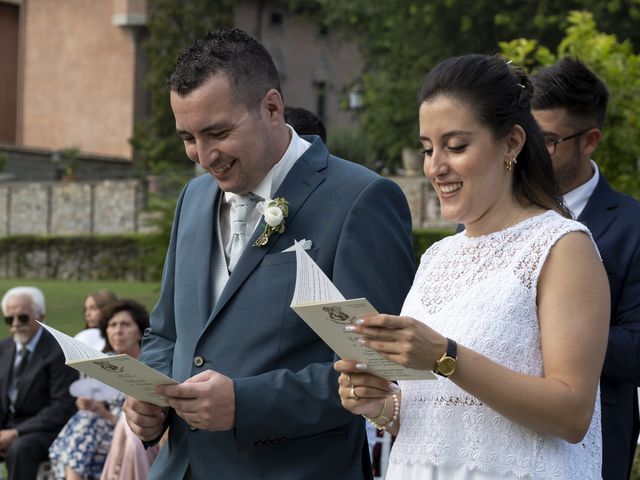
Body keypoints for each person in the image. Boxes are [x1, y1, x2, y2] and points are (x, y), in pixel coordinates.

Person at [123, 27, 416, 479]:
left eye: (217, 132)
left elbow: (382, 367)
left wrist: (245, 403)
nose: (203, 155)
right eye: (188, 137)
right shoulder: (194, 199)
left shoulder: (361, 199)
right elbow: (166, 332)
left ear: (272, 108)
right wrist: (150, 399)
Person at [335, 54, 610, 479]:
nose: (435, 166)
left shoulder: (562, 247)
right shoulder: (437, 257)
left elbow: (572, 414)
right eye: (428, 149)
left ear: (512, 143)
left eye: (456, 146)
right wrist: (382, 406)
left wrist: (446, 356)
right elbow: (443, 414)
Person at [530, 57, 640, 480]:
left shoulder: (633, 228)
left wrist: (555, 330)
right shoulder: (485, 218)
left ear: (589, 140)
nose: (531, 154)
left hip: (589, 446)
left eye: (549, 141)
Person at [49, 299, 151, 480]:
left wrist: (104, 415)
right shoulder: (106, 361)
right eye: (112, 325)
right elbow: (98, 399)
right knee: (86, 418)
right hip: (104, 431)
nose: (118, 331)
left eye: (125, 324)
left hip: (136, 433)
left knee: (87, 422)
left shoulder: (149, 363)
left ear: (139, 332)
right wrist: (91, 404)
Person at [0, 286, 78, 480]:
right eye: (10, 319)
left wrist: (16, 433)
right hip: (6, 427)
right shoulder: (3, 348)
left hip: (44, 431)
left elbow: (61, 407)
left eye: (23, 317)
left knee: (21, 449)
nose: (16, 324)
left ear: (40, 316)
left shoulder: (59, 351)